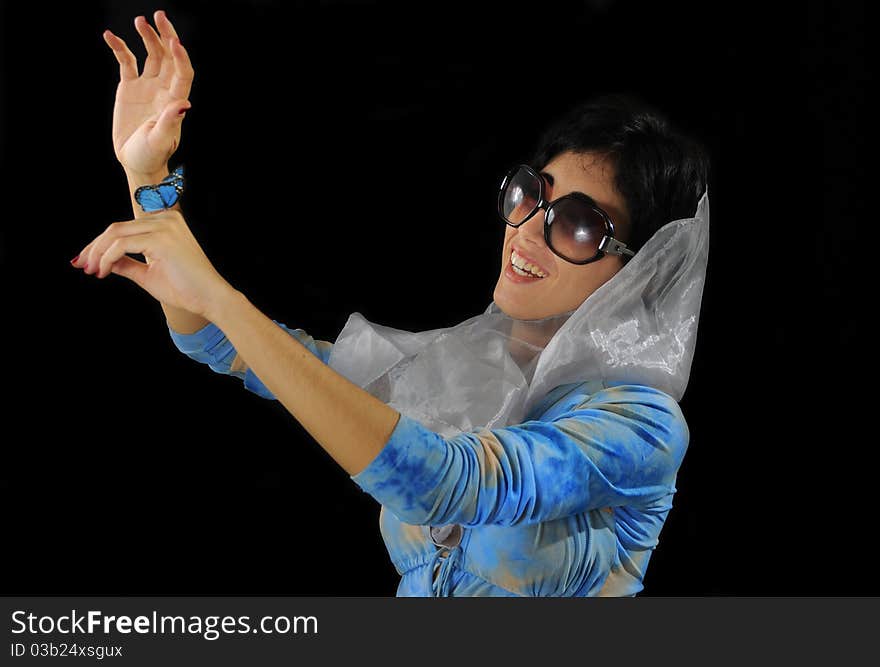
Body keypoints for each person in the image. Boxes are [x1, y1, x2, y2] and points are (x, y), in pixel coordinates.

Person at [72, 10, 710, 597]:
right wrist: (147, 180)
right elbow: (216, 341)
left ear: (642, 272)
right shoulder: (462, 367)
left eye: (576, 225)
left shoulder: (641, 426)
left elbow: (449, 484)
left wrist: (220, 294)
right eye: (531, 196)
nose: (527, 230)